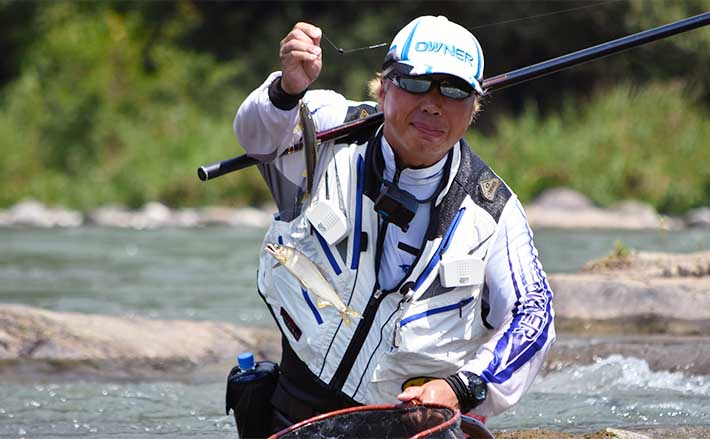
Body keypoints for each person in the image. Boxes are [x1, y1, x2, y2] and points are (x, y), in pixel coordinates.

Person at [234, 15, 555, 432]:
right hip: (290, 412)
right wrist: (286, 89)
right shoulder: (330, 126)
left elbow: (534, 314)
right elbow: (256, 138)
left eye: (455, 90)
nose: (433, 104)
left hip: (407, 425)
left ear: (473, 108)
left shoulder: (493, 210)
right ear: (383, 88)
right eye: (417, 84)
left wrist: (464, 386)